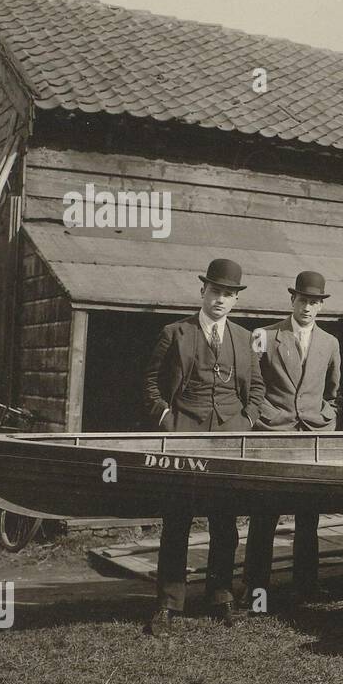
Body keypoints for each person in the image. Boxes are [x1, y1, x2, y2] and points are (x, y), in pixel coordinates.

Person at [143, 258, 266, 635]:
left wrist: (246, 420)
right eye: (216, 292)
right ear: (203, 292)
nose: (221, 300)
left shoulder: (244, 339)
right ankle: (168, 604)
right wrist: (166, 417)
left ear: (235, 301)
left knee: (225, 523)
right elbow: (150, 383)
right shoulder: (175, 333)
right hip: (184, 435)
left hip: (228, 439)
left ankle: (220, 597)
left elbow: (257, 389)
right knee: (177, 521)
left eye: (229, 295)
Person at [244, 270, 342, 609]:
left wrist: (325, 417)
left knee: (308, 514)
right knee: (264, 514)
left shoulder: (330, 343)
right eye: (304, 300)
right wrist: (265, 415)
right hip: (273, 433)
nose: (309, 308)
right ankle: (256, 589)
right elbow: (251, 384)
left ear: (321, 307)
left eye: (315, 302)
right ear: (292, 300)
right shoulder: (264, 336)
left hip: (312, 436)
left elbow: (333, 391)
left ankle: (305, 588)